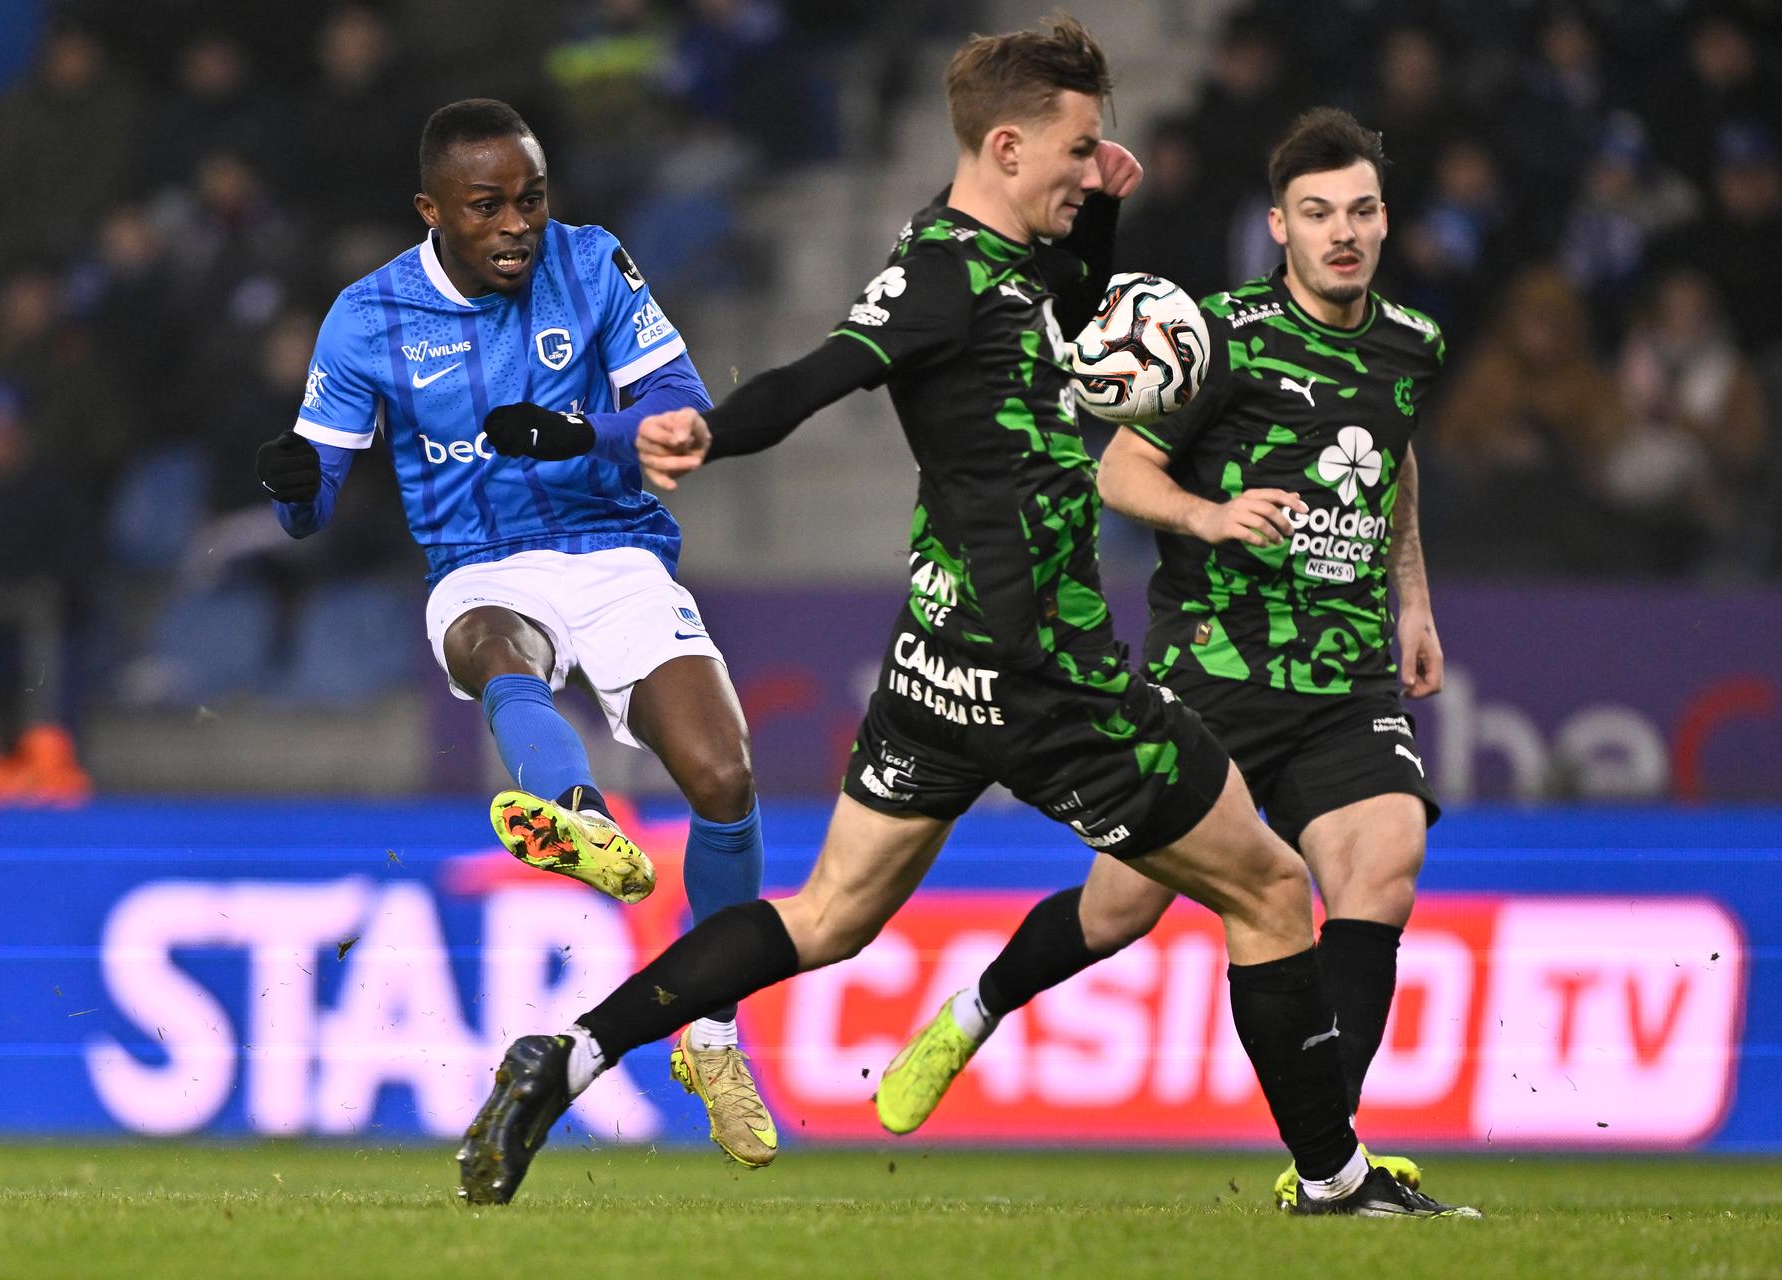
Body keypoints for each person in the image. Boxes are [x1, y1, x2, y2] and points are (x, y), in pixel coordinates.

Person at [455, 23, 1476, 1219]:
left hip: (937, 659)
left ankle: (564, 1054)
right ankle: (1334, 1178)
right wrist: (708, 433)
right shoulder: (941, 270)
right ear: (1004, 144)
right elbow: (823, 370)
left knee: (828, 913)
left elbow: (1065, 306)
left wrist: (1097, 215)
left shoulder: (1007, 260)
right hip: (1045, 667)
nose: (1093, 165)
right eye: (1078, 149)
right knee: (1267, 890)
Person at [876, 107, 1452, 1210]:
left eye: (1363, 211)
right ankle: (976, 1009)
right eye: (1319, 214)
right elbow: (1119, 475)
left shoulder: (1411, 343)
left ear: (1386, 223)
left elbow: (1394, 460)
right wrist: (1212, 513)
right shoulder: (1216, 334)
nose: (1344, 233)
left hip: (1345, 681)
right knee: (1117, 911)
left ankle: (1328, 1163)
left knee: (1382, 868)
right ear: (1279, 227)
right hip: (1213, 673)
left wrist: (1413, 601)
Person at [253, 99, 777, 1169]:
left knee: (725, 777)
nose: (517, 225)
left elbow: (681, 409)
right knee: (499, 643)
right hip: (477, 567)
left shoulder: (593, 265)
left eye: (531, 198)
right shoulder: (366, 316)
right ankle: (578, 813)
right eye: (487, 206)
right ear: (431, 210)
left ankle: (713, 1040)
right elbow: (311, 497)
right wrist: (296, 491)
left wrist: (589, 432)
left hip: (616, 549)